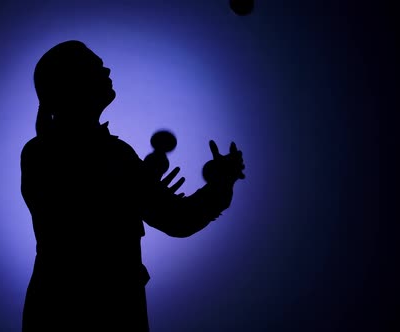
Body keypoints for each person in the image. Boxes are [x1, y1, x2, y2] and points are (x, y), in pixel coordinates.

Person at [20, 40, 245, 331]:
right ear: (70, 82)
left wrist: (220, 183)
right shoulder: (44, 152)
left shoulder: (114, 155)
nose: (107, 69)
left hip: (108, 309)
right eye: (95, 66)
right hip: (72, 311)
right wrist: (133, 187)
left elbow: (178, 219)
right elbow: (71, 220)